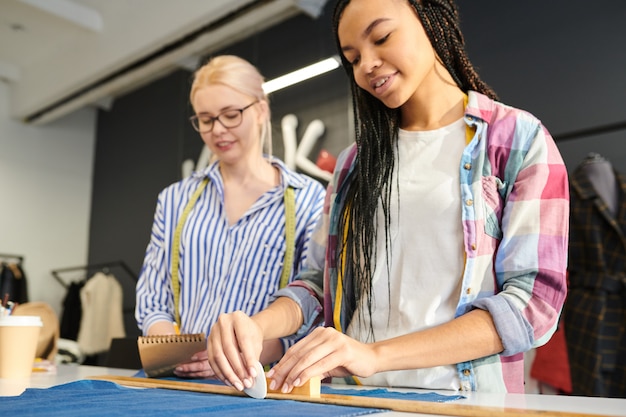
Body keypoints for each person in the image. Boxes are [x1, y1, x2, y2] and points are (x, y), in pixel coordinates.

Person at [206, 0, 569, 394]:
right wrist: (256, 326)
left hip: (460, 399)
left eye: (382, 38)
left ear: (431, 21)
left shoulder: (517, 141)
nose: (367, 64)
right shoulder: (354, 165)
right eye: (353, 58)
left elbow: (533, 305)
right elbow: (316, 283)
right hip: (353, 397)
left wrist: (375, 354)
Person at [135, 55, 326, 378]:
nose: (218, 130)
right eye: (206, 119)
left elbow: (310, 310)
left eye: (230, 115)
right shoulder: (175, 200)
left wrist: (231, 357)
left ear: (261, 109)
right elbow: (153, 298)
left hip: (257, 381)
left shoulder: (308, 200)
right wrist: (174, 351)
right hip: (178, 379)